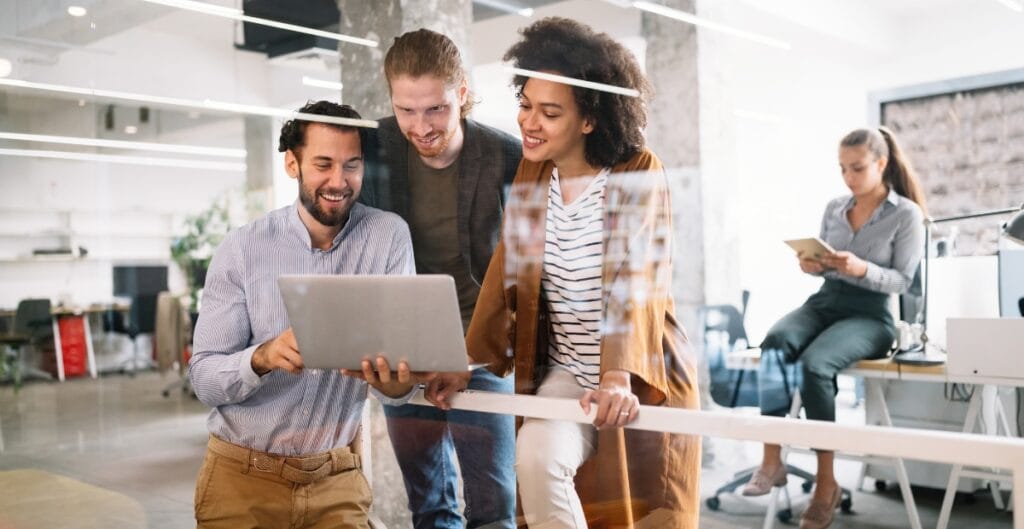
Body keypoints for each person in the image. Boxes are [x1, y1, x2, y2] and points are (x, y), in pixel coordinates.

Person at [426, 17, 701, 529]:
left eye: (550, 112)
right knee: (534, 455)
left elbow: (635, 277)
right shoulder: (535, 171)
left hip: (638, 371)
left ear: (590, 119)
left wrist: (617, 373)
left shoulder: (637, 169)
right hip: (569, 369)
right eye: (526, 104)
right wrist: (466, 358)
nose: (529, 122)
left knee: (644, 512)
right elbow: (509, 269)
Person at [189, 101, 419, 529]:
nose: (339, 181)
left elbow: (397, 389)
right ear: (292, 164)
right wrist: (263, 356)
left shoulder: (388, 237)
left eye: (352, 165)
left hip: (337, 482)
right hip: (242, 481)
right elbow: (204, 378)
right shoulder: (243, 248)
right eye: (323, 164)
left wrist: (398, 380)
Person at [358, 29, 521, 529]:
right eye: (407, 110)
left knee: (493, 507)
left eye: (435, 109)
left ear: (463, 94)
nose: (420, 126)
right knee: (429, 504)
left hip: (482, 348)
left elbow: (528, 271)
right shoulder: (377, 147)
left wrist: (480, 356)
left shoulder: (505, 157)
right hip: (408, 348)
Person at [741, 127, 926, 529]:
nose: (848, 177)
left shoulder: (906, 214)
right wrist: (811, 264)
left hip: (871, 315)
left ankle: (827, 484)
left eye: (857, 168)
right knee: (773, 342)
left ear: (881, 163)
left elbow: (903, 281)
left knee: (814, 365)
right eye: (842, 169)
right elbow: (820, 263)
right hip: (826, 301)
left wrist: (863, 268)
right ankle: (772, 460)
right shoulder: (834, 207)